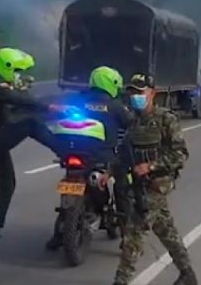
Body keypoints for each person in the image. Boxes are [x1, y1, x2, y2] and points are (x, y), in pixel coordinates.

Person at [89, 73, 197, 285]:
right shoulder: (134, 122)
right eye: (133, 92)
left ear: (152, 93)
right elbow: (124, 155)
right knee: (166, 230)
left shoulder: (165, 119)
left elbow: (180, 154)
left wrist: (151, 166)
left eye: (141, 92)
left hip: (158, 184)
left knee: (134, 232)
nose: (136, 96)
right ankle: (187, 274)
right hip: (140, 185)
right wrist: (109, 172)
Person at [0, 47, 64, 256]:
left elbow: (17, 105)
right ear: (6, 67)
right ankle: (65, 150)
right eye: (16, 70)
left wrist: (40, 106)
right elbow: (16, 99)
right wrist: (47, 107)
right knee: (31, 124)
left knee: (7, 182)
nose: (18, 74)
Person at [44, 65, 137, 251]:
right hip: (102, 157)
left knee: (67, 190)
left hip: (72, 154)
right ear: (111, 84)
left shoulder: (78, 100)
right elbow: (131, 124)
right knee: (122, 187)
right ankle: (129, 238)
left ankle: (58, 234)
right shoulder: (115, 105)